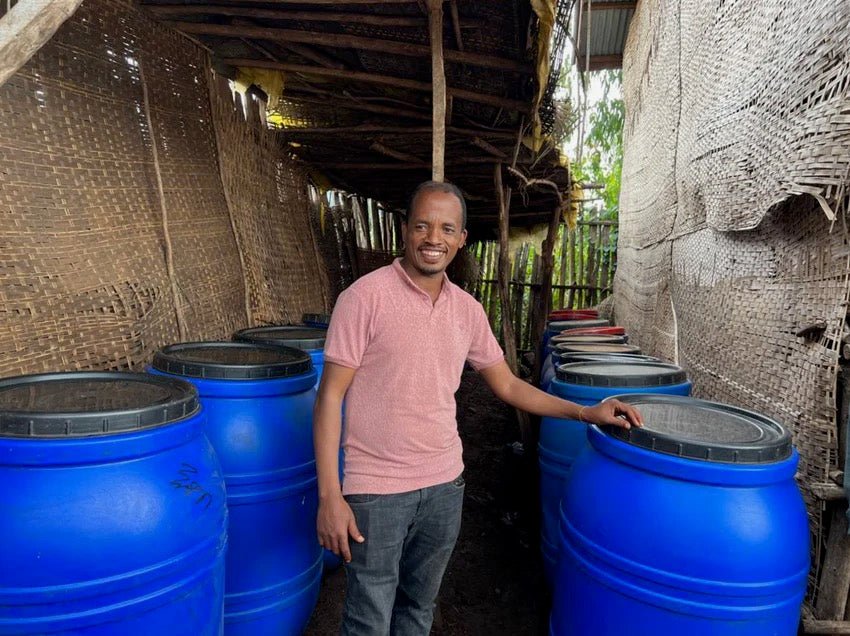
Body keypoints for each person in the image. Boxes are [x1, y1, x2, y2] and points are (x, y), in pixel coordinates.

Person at [313, 180, 643, 636]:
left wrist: (585, 412)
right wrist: (331, 496)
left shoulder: (467, 311)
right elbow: (329, 396)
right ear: (405, 230)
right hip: (376, 490)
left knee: (418, 608)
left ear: (462, 239)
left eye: (447, 229)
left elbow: (507, 384)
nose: (434, 239)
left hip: (445, 485)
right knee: (367, 618)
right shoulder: (363, 299)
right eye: (423, 225)